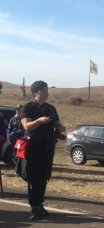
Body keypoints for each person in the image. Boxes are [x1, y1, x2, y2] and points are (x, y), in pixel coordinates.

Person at [20, 80, 66, 220]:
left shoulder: (51, 108)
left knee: (43, 177)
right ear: (35, 92)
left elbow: (56, 123)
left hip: (47, 147)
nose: (47, 93)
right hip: (33, 148)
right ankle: (34, 207)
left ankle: (40, 204)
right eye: (44, 90)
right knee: (33, 177)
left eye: (47, 90)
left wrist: (61, 127)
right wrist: (39, 121)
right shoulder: (28, 108)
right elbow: (27, 126)